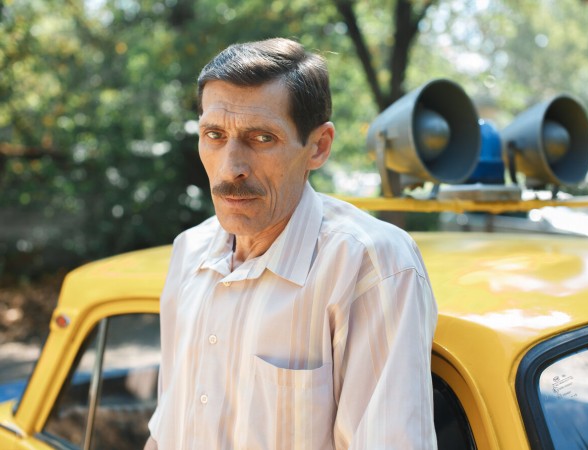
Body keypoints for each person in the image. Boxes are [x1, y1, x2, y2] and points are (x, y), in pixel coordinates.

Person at [145, 37, 437, 450]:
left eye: (261, 138)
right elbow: (166, 431)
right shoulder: (189, 253)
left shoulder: (371, 265)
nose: (231, 168)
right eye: (214, 134)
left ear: (318, 147)